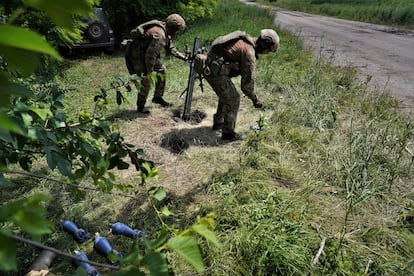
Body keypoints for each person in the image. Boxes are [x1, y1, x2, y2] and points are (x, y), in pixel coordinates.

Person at [203, 29, 280, 141]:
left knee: (227, 95)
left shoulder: (246, 40)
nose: (267, 53)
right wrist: (255, 99)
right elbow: (247, 85)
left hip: (212, 66)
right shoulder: (249, 52)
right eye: (268, 50)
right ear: (264, 45)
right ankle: (228, 134)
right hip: (215, 72)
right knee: (234, 98)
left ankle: (219, 123)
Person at [125, 14, 187, 113]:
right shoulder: (160, 35)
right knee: (146, 80)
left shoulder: (164, 28)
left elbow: (170, 48)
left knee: (162, 71)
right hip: (138, 55)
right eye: (178, 31)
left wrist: (185, 58)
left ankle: (157, 98)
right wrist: (149, 71)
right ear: (174, 28)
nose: (177, 33)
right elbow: (150, 56)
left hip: (144, 53)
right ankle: (140, 107)